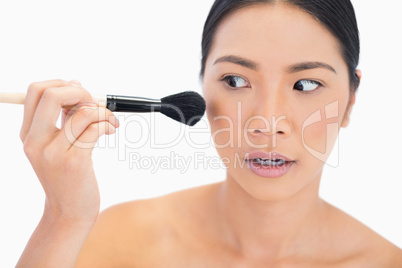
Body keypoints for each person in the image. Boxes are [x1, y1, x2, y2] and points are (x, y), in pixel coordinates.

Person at [16, 0, 402, 267]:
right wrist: (63, 217)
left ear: (350, 101)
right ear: (202, 86)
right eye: (235, 80)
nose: (266, 122)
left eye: (305, 85)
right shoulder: (115, 241)